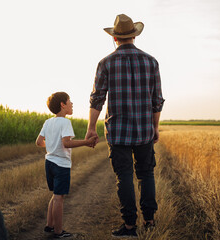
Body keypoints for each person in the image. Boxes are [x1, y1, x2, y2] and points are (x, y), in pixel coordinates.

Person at [85, 14, 165, 238]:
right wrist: (155, 127)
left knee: (124, 177)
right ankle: (149, 221)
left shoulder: (105, 63)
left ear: (115, 38)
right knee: (146, 174)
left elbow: (96, 99)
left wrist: (91, 128)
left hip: (118, 132)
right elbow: (157, 100)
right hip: (144, 131)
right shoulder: (151, 62)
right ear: (133, 36)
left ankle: (130, 227)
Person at [36, 91, 97, 239]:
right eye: (70, 101)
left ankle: (49, 226)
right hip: (61, 165)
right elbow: (67, 143)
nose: (72, 104)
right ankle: (58, 232)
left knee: (55, 195)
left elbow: (38, 142)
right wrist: (86, 142)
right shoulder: (65, 122)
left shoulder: (48, 122)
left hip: (49, 162)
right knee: (59, 198)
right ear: (63, 105)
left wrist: (51, 145)